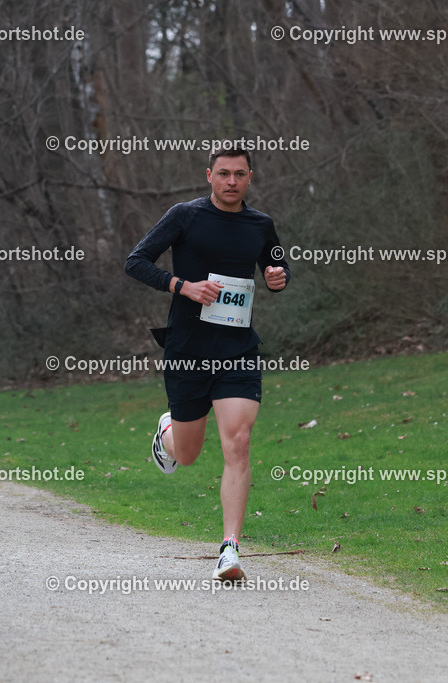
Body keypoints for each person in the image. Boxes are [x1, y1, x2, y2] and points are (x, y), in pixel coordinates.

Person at [124, 142, 291, 581]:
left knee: (238, 440)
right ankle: (167, 432)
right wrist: (183, 286)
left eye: (239, 174)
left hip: (237, 350)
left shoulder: (260, 224)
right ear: (209, 175)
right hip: (188, 349)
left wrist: (277, 278)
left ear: (250, 177)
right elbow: (135, 262)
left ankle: (230, 549)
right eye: (223, 174)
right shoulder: (185, 216)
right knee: (191, 453)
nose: (231, 181)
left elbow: (276, 268)